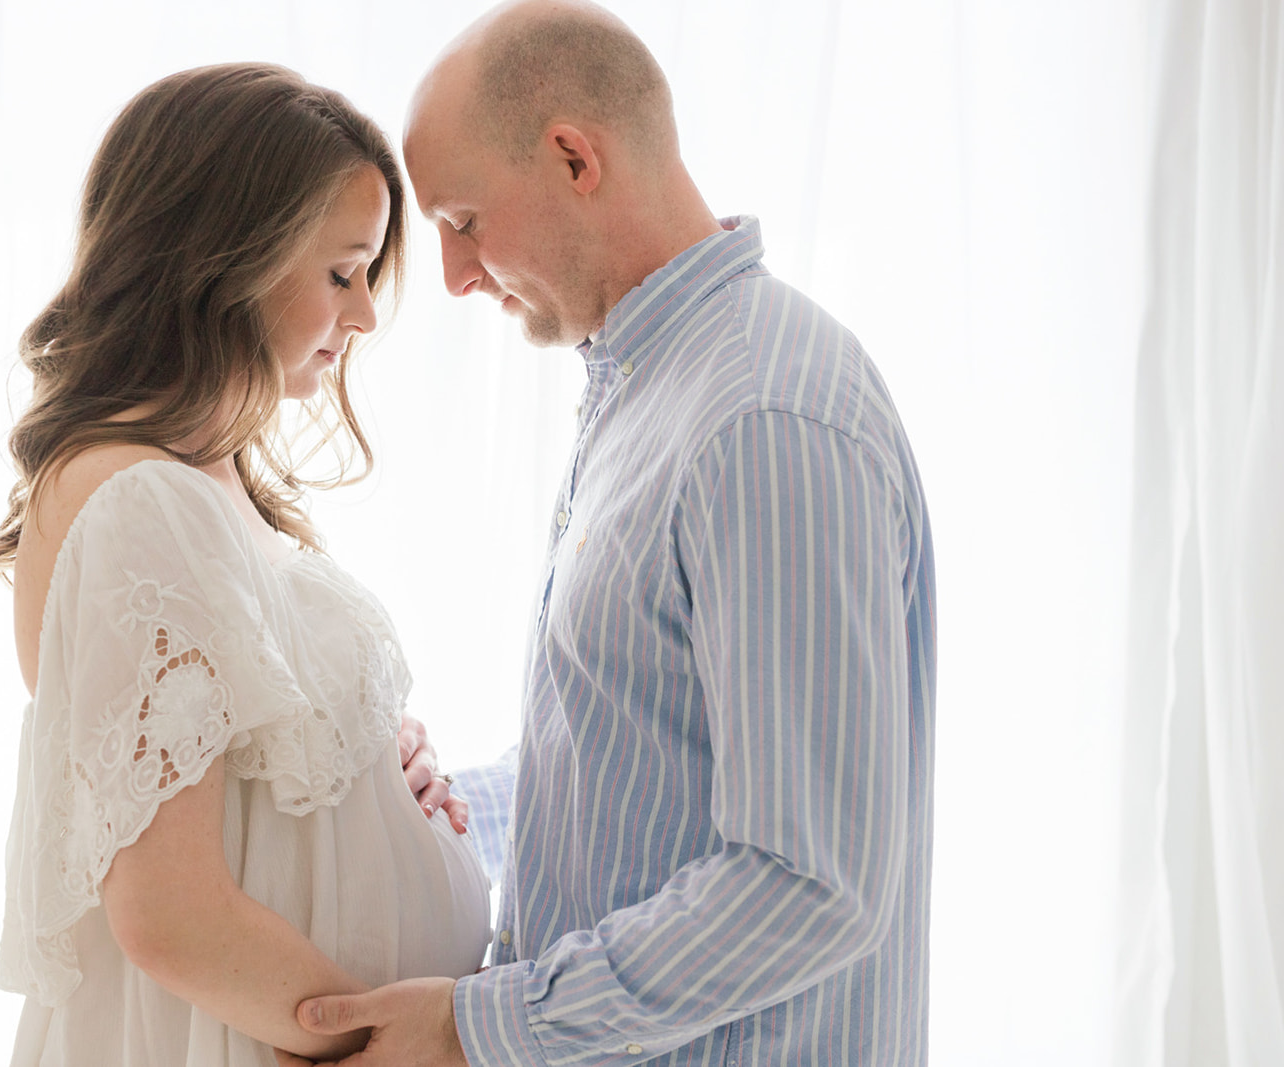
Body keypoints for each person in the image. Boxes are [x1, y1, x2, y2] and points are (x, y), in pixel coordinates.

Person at [286, 2, 938, 1065]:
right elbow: (648, 766)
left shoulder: (760, 418)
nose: (454, 276)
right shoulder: (654, 391)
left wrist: (474, 1028)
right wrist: (457, 809)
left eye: (462, 221)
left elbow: (806, 882)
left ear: (572, 159)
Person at [0, 63, 491, 1067]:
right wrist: (392, 1044)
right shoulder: (139, 499)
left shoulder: (200, 482)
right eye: (343, 273)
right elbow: (170, 913)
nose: (367, 315)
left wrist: (371, 753)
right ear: (221, 260)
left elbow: (231, 766)